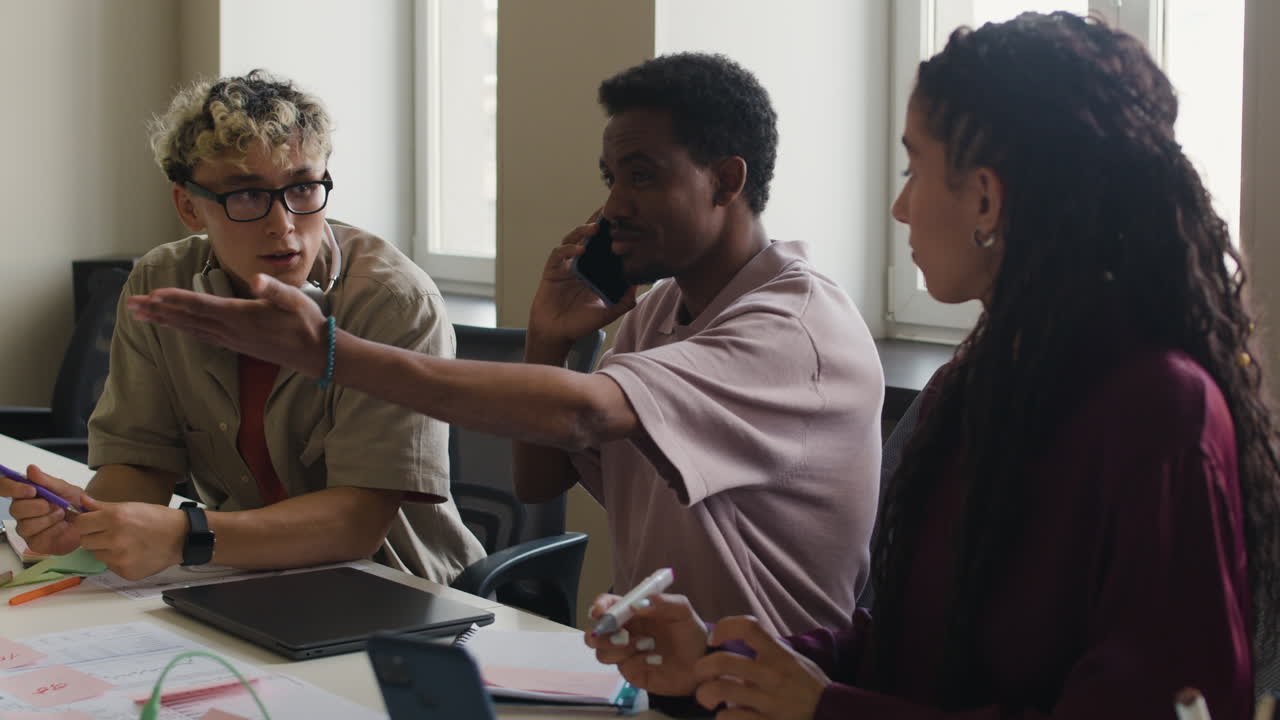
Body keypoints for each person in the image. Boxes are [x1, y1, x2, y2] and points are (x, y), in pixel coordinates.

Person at [580, 12, 1280, 719]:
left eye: (915, 168)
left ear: (985, 197)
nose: (900, 205)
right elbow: (914, 654)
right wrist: (721, 661)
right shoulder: (977, 383)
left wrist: (827, 709)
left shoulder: (1159, 412)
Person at [126, 53, 885, 635]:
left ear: (725, 181)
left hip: (771, 688)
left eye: (642, 178)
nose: (612, 205)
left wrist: (328, 351)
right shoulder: (665, 312)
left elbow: (584, 416)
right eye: (611, 177)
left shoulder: (789, 328)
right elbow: (540, 482)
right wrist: (549, 340)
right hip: (674, 668)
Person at [0, 71, 484, 583]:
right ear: (189, 206)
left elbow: (355, 524)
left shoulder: (391, 301)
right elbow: (142, 462)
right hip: (240, 577)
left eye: (302, 186)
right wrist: (90, 525)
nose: (284, 224)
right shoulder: (161, 282)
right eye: (247, 196)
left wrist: (184, 536)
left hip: (394, 588)